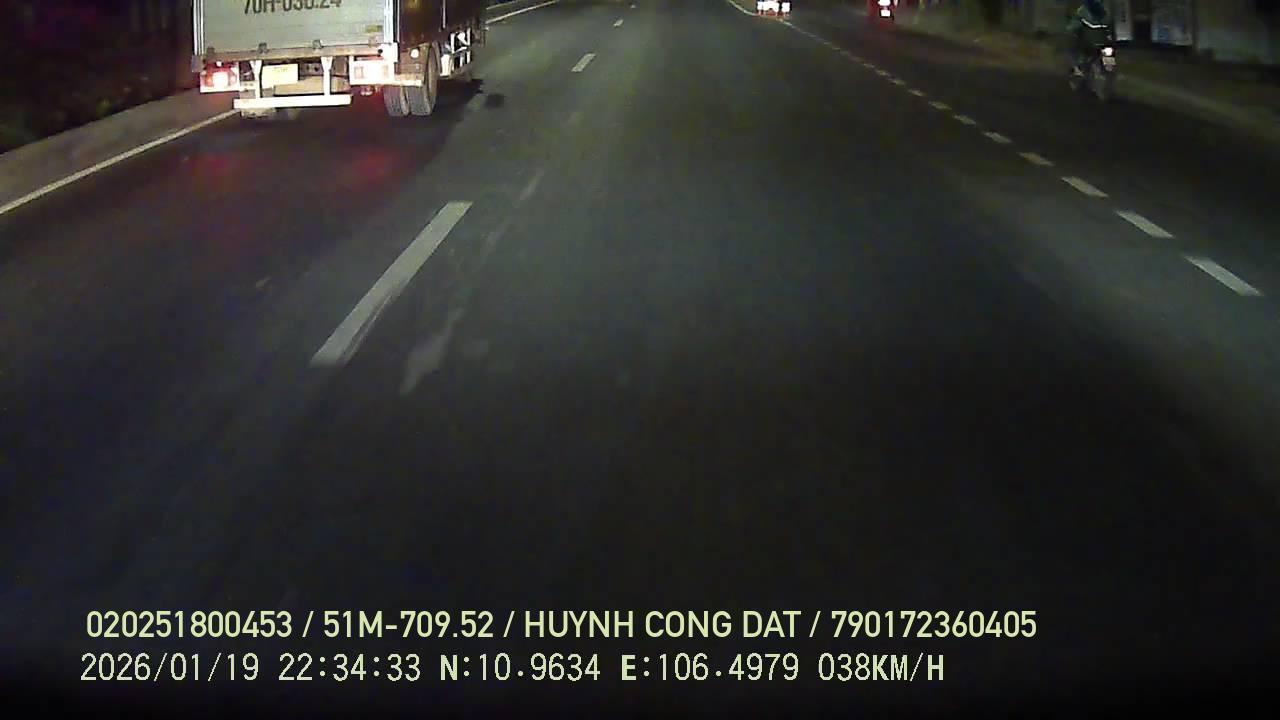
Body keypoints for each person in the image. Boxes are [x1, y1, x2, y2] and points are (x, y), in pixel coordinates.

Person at [1066, 0, 1113, 76]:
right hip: (1104, 43)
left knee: (1072, 49)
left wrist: (1071, 30)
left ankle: (1078, 69)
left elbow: (1073, 27)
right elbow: (1110, 26)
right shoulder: (1105, 12)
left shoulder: (1082, 11)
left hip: (1089, 43)